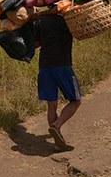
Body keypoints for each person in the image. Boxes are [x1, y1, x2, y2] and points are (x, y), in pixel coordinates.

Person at [31, 13, 81, 151]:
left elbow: (35, 44)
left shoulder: (40, 21)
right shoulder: (68, 19)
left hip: (44, 67)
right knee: (76, 101)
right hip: (62, 66)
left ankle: (58, 144)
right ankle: (57, 125)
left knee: (51, 105)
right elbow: (80, 32)